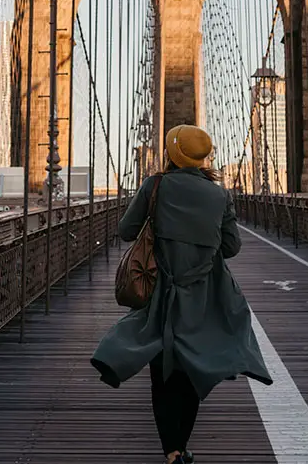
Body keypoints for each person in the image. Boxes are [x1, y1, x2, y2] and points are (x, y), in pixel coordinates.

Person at [91, 124, 272, 464]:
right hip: (203, 297)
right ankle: (180, 446)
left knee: (161, 373)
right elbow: (232, 247)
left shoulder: (155, 185)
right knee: (190, 371)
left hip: (160, 293)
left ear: (172, 153)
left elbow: (126, 231)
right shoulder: (220, 195)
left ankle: (171, 450)